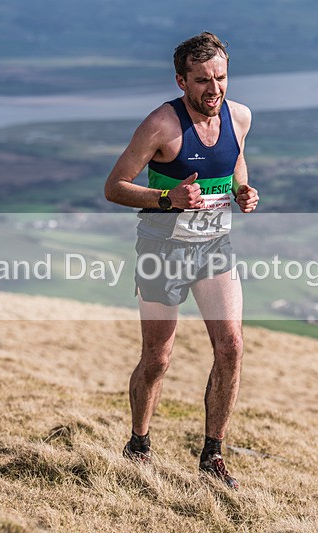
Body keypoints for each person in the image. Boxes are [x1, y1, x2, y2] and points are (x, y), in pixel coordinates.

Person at [104, 32, 259, 490]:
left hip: (215, 248)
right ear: (181, 81)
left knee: (231, 345)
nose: (214, 89)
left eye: (221, 77)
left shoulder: (240, 117)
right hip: (162, 249)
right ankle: (139, 445)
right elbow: (114, 186)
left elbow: (235, 166)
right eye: (202, 81)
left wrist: (242, 191)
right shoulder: (160, 125)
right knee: (158, 357)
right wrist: (167, 199)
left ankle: (213, 454)